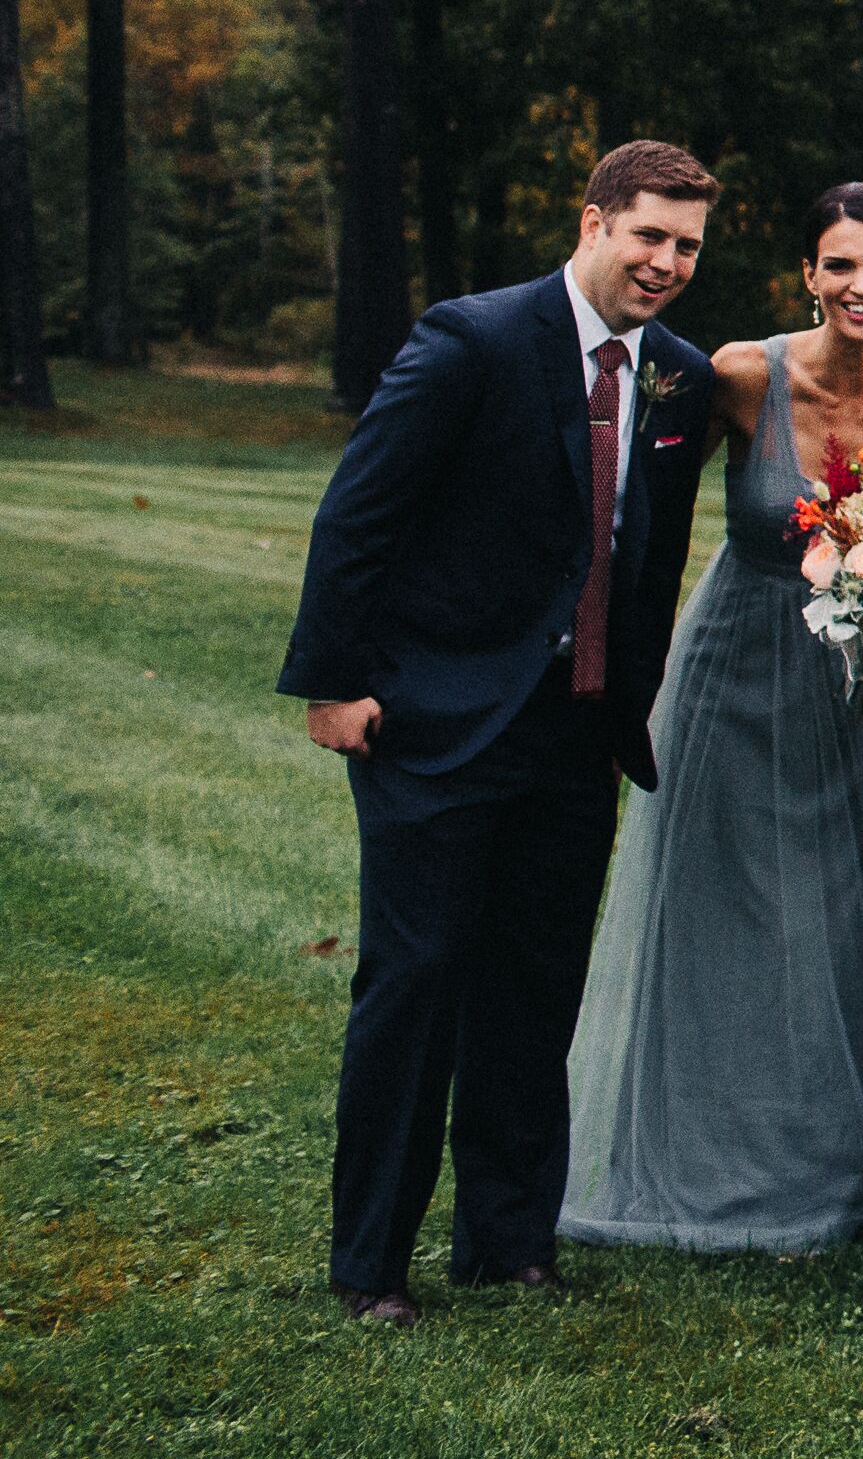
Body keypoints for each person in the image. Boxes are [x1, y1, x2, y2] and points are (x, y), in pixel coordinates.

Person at [281, 142, 727, 1326]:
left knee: (536, 989)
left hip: (578, 731)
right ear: (593, 222)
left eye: (686, 244)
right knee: (417, 983)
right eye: (648, 235)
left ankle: (509, 1238)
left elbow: (645, 556)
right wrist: (336, 683)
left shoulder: (677, 377)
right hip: (435, 716)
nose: (666, 262)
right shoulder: (473, 338)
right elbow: (359, 513)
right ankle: (370, 1261)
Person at [561, 181, 863, 1256]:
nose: (860, 284)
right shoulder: (739, 375)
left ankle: (828, 1160)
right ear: (807, 276)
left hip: (854, 690)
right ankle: (694, 1157)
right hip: (735, 664)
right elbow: (634, 504)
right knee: (721, 912)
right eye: (838, 264)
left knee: (836, 918)